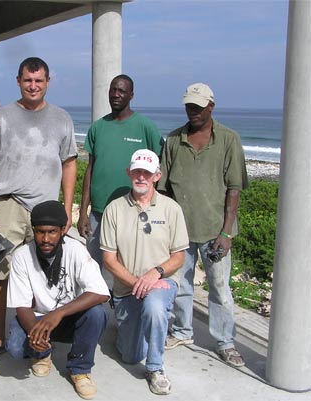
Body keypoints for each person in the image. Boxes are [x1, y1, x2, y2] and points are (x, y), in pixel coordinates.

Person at [0, 57, 78, 373]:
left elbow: (69, 163)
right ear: (18, 81)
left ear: (48, 82)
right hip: (6, 205)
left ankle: (39, 344)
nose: (33, 86)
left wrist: (67, 207)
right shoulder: (0, 117)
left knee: (41, 275)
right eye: (28, 80)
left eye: (39, 81)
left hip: (46, 210)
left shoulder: (61, 118)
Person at [157, 83, 248, 368]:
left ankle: (225, 341)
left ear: (211, 106)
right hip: (180, 234)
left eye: (198, 106)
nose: (193, 111)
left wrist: (225, 232)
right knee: (180, 284)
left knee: (219, 289)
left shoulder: (228, 139)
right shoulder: (174, 140)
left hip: (215, 232)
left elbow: (234, 188)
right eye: (189, 106)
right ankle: (183, 331)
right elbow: (164, 189)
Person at [100, 149, 189, 395]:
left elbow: (179, 256)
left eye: (147, 173)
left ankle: (155, 368)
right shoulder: (114, 209)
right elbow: (108, 259)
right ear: (129, 172)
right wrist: (138, 282)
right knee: (130, 355)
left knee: (155, 307)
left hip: (161, 283)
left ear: (157, 176)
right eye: (137, 171)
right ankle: (134, 330)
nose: (142, 177)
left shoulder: (172, 209)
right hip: (127, 288)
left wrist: (156, 273)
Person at [6, 200, 109, 400]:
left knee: (97, 314)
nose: (45, 239)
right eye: (39, 232)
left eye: (52, 232)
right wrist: (36, 335)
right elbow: (22, 305)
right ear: (33, 230)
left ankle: (80, 369)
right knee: (16, 347)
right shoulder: (21, 256)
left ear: (62, 230)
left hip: (69, 317)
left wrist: (58, 313)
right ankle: (42, 354)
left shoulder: (76, 249)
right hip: (38, 319)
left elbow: (101, 292)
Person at [77, 74, 164, 269]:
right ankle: (100, 301)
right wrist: (84, 211)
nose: (116, 94)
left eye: (122, 91)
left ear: (131, 95)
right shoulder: (97, 127)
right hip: (98, 214)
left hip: (132, 212)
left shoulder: (145, 127)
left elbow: (159, 167)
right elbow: (90, 170)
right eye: (113, 90)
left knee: (130, 268)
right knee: (95, 270)